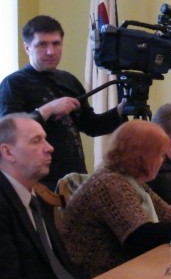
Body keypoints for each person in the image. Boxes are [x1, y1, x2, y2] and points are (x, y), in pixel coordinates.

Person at [61, 120, 171, 278]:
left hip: (128, 272)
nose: (162, 161)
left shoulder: (132, 181)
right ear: (142, 156)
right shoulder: (108, 183)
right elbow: (141, 236)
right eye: (159, 155)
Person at [0, 15, 125, 191]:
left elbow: (91, 126)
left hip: (76, 180)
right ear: (27, 48)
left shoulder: (69, 80)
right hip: (40, 184)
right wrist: (47, 110)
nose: (50, 51)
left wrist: (120, 111)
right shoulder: (14, 83)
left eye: (56, 44)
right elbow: (8, 133)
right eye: (42, 45)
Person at [0, 113, 86, 279]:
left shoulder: (36, 197)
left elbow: (64, 267)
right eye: (36, 141)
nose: (49, 148)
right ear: (8, 152)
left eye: (45, 139)